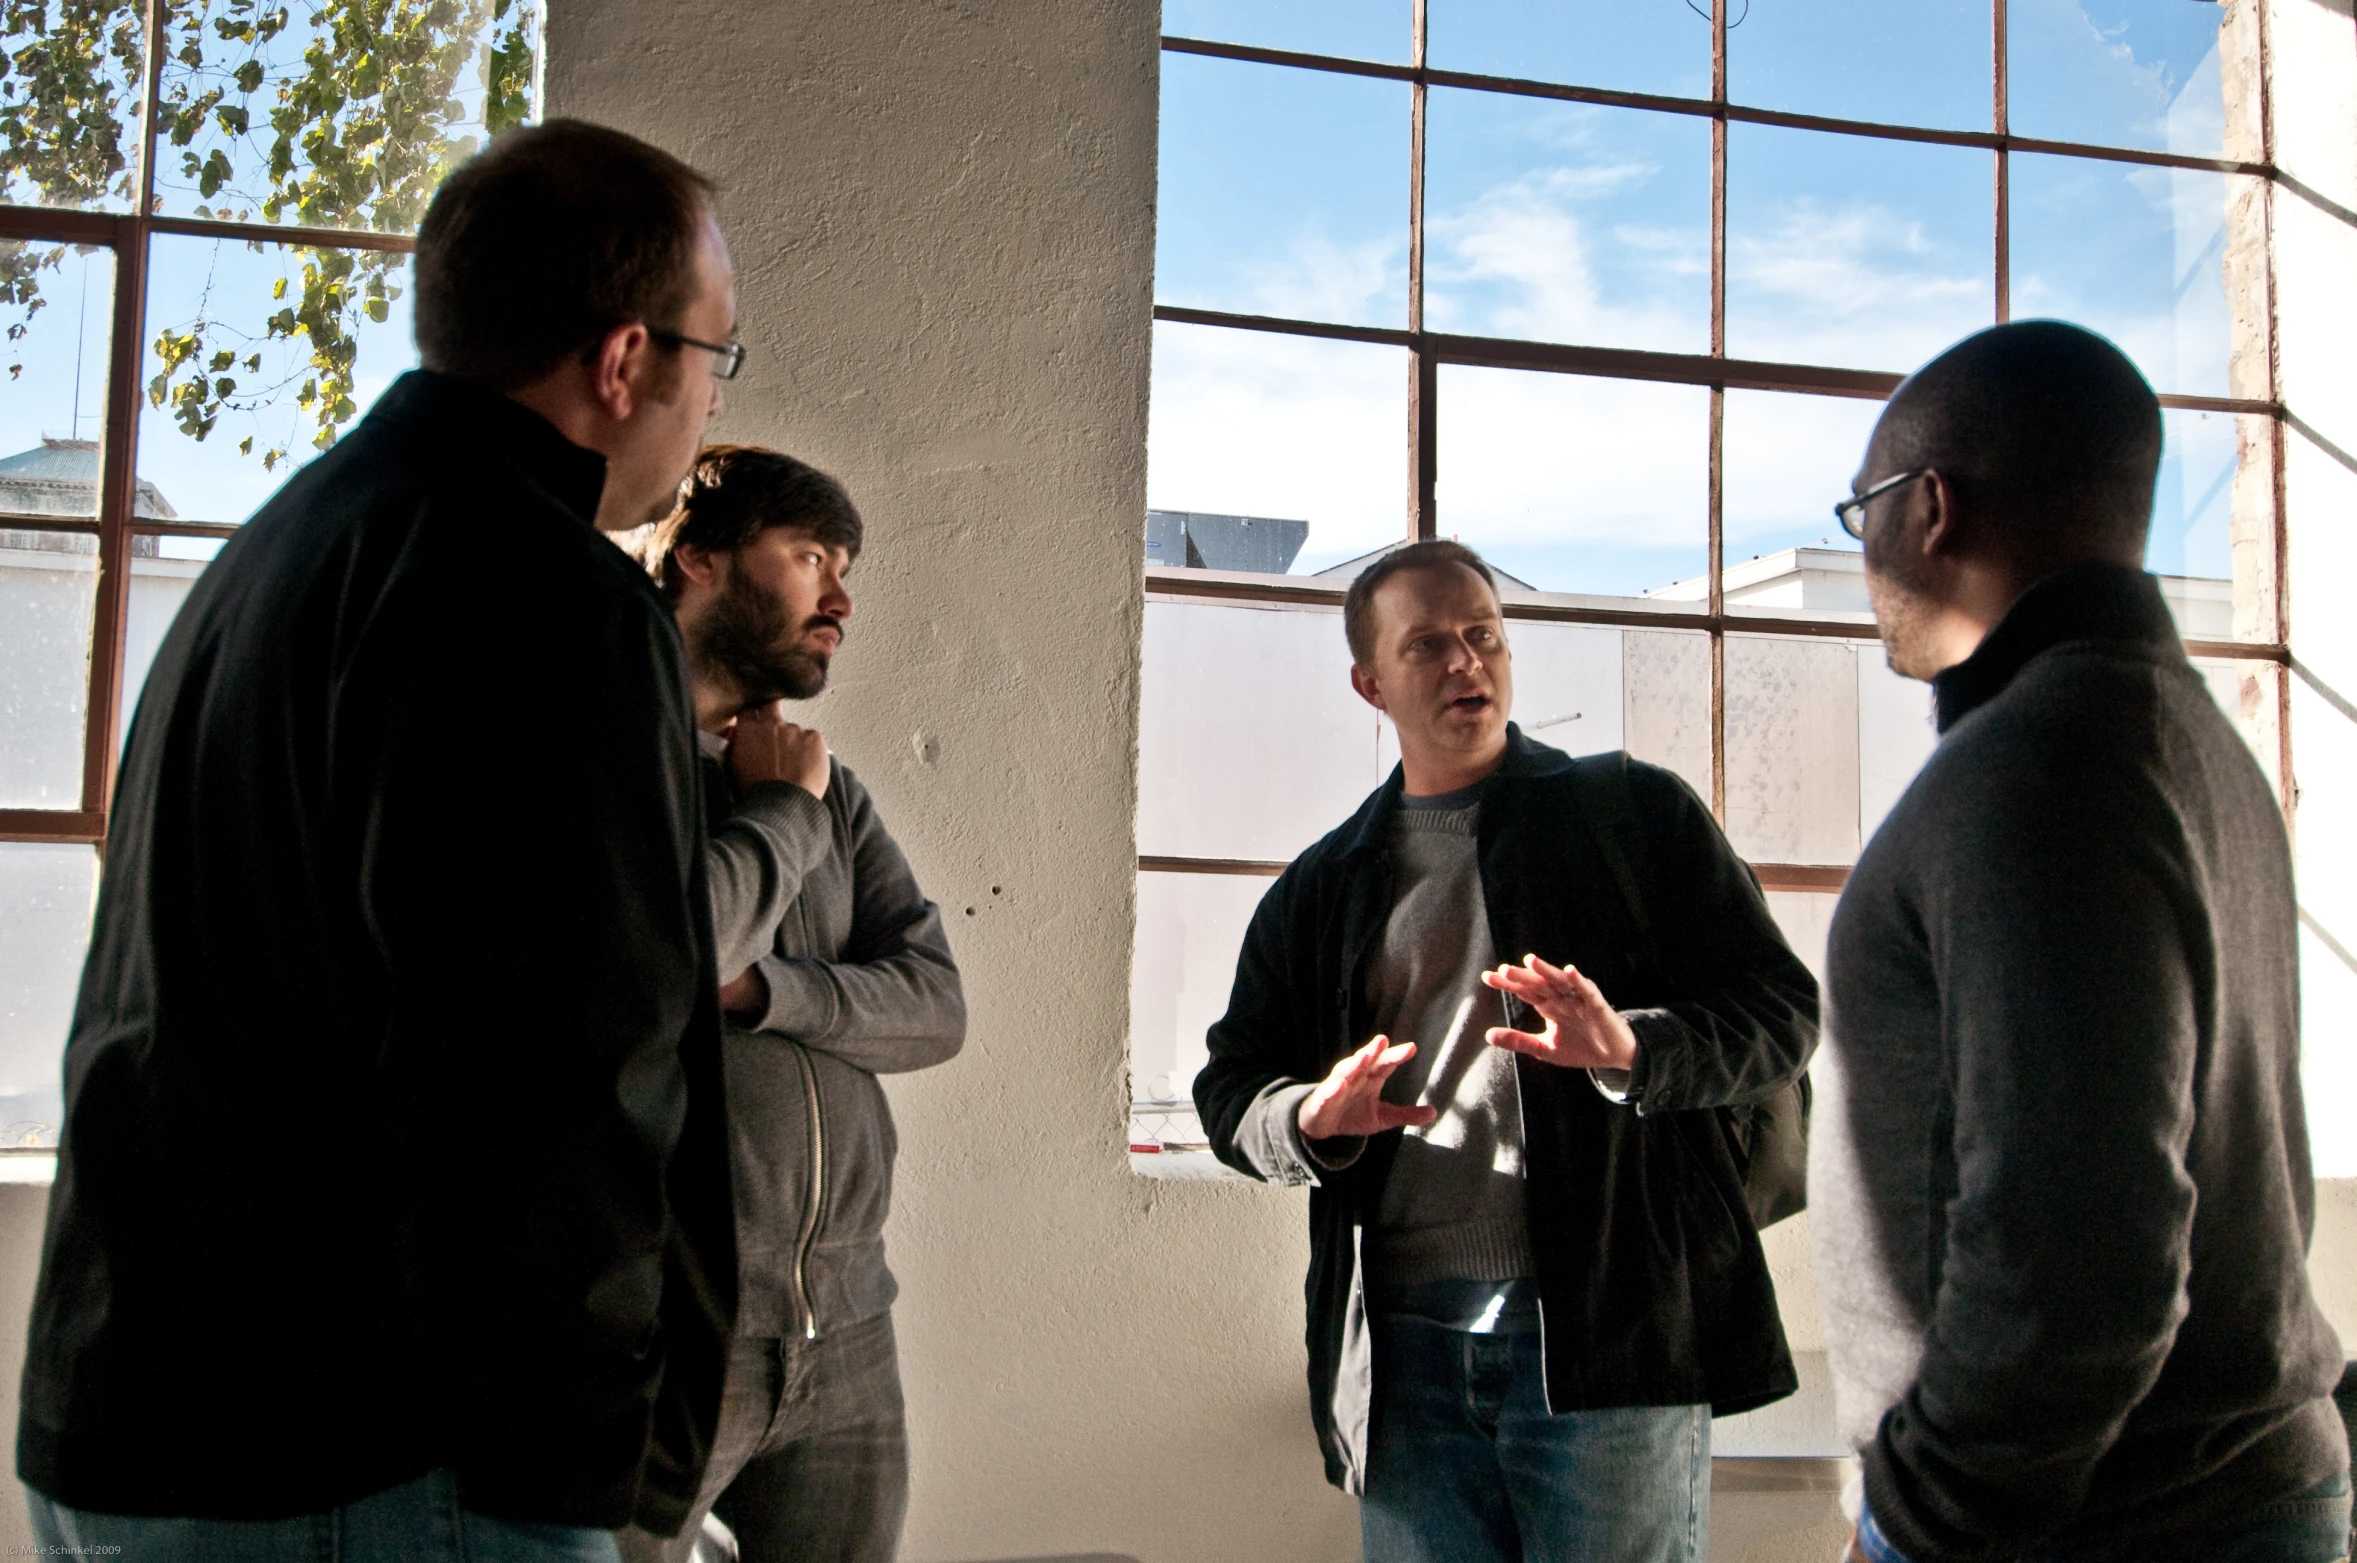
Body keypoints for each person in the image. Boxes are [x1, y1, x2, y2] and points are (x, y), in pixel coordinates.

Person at [20, 120, 779, 1561]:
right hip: (364, 1455)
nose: (704, 406)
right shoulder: (544, 593)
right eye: (712, 356)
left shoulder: (281, 545)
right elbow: (566, 1080)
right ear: (624, 363)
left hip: (133, 1414)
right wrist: (618, 1478)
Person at [1811, 320, 2349, 1563]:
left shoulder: (2034, 771)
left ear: (1930, 506)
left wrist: (1927, 1513)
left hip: (2098, 1522)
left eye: (1864, 512)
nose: (1869, 552)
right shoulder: (2181, 741)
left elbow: (2081, 1247)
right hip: (2200, 1495)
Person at [1193, 539, 1820, 1563]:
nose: (1464, 663)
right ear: (1369, 683)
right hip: (1399, 1353)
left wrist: (1631, 1047)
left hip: (1606, 1334)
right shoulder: (1324, 885)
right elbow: (1228, 1088)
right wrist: (1307, 1118)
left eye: (1482, 635)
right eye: (1427, 644)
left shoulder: (1633, 817)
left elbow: (1780, 1013)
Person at [619, 445, 965, 1563]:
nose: (840, 596)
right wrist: (777, 813)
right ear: (700, 561)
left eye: (845, 563)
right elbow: (673, 965)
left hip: (847, 1331)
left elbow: (933, 1008)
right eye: (809, 554)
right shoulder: (613, 766)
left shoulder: (831, 788)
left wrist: (769, 989)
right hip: (664, 1336)